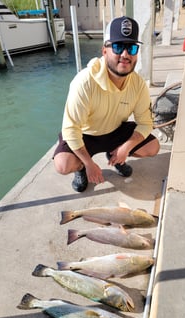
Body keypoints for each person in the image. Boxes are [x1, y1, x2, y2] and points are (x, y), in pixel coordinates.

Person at [53, 16, 160, 192]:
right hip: (85, 134)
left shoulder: (138, 84)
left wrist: (126, 148)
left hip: (115, 130)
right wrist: (88, 164)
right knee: (63, 165)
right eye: (118, 46)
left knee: (153, 147)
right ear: (104, 51)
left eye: (131, 48)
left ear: (136, 53)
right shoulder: (84, 82)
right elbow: (71, 130)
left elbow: (146, 123)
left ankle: (117, 157)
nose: (125, 55)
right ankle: (80, 169)